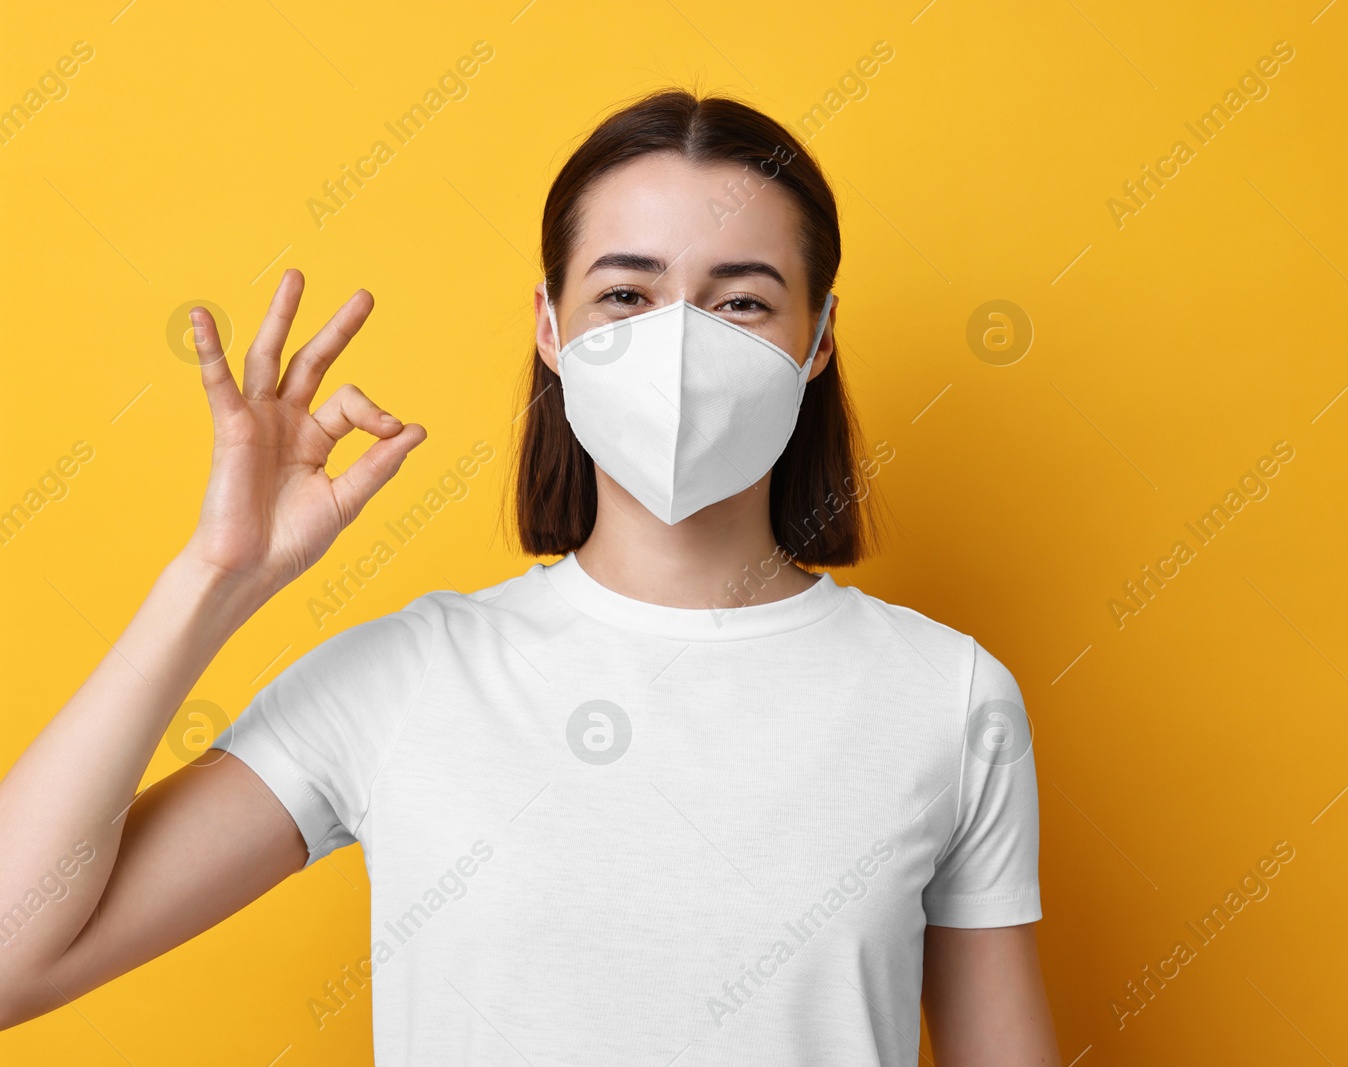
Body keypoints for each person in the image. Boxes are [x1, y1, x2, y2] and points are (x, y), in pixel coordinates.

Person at [0, 89, 1059, 1065]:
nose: (677, 343)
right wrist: (213, 576)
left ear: (817, 339)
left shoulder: (946, 696)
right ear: (551, 329)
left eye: (739, 303)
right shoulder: (406, 676)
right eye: (625, 293)